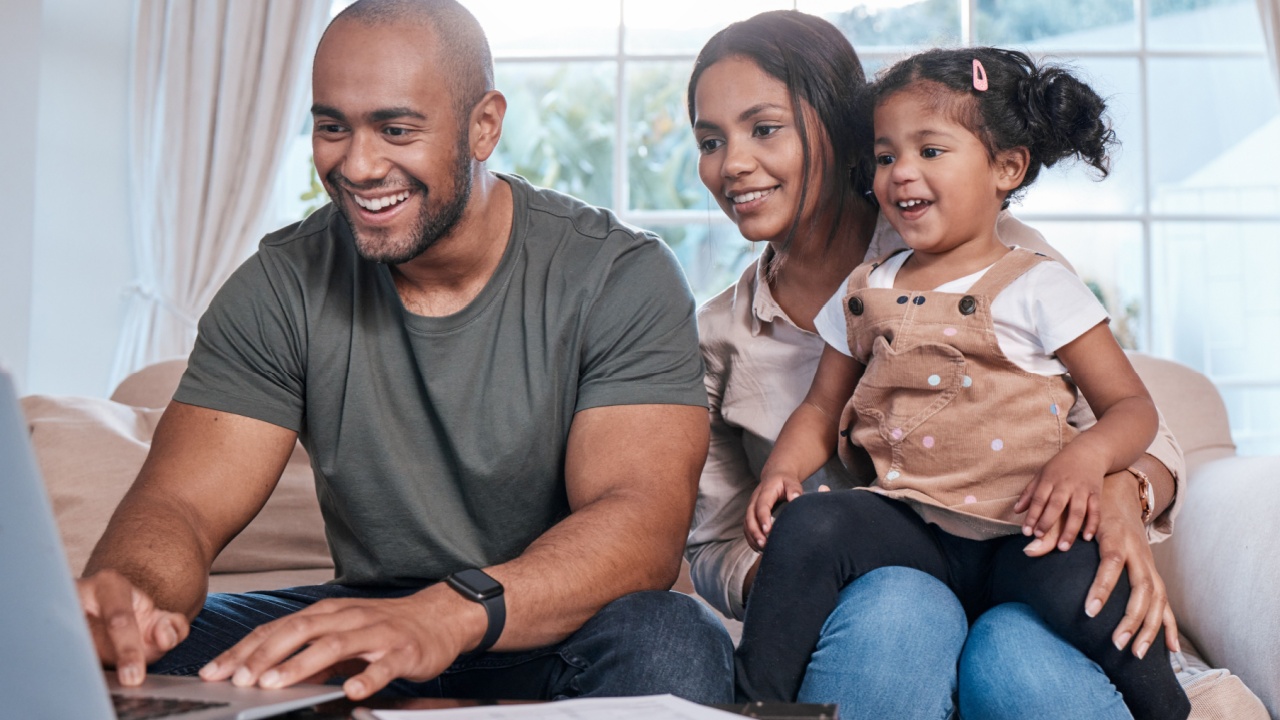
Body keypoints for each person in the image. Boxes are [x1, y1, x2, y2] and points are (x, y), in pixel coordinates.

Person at [75, 0, 733, 704]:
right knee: (100, 659)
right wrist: (133, 603)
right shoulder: (280, 284)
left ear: (484, 126)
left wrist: (444, 615)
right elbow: (180, 506)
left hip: (554, 630)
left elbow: (639, 522)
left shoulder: (617, 275)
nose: (357, 165)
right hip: (371, 620)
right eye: (332, 127)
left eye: (395, 129)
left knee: (672, 636)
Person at [686, 11, 1186, 719]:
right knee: (893, 600)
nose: (731, 162)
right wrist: (791, 541)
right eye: (709, 141)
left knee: (1020, 642)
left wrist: (1119, 488)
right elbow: (730, 522)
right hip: (893, 558)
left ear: (835, 131)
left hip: (1021, 538)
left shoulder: (1016, 265)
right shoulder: (794, 315)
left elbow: (1134, 415)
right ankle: (753, 705)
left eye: (764, 128)